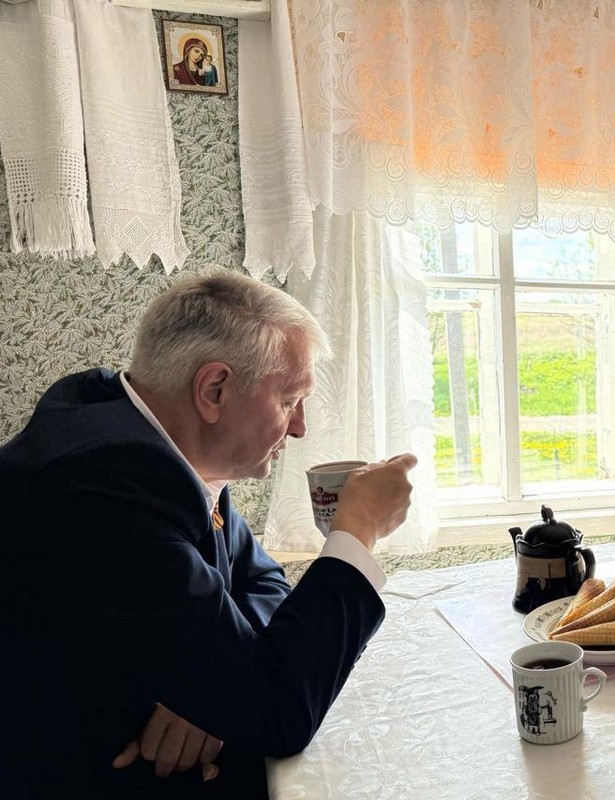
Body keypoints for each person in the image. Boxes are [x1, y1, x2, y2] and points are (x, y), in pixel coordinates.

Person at [0, 270, 417, 797]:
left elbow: (262, 580)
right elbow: (278, 711)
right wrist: (357, 531)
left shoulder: (149, 443)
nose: (299, 427)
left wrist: (209, 691)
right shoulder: (103, 483)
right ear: (214, 390)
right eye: (289, 400)